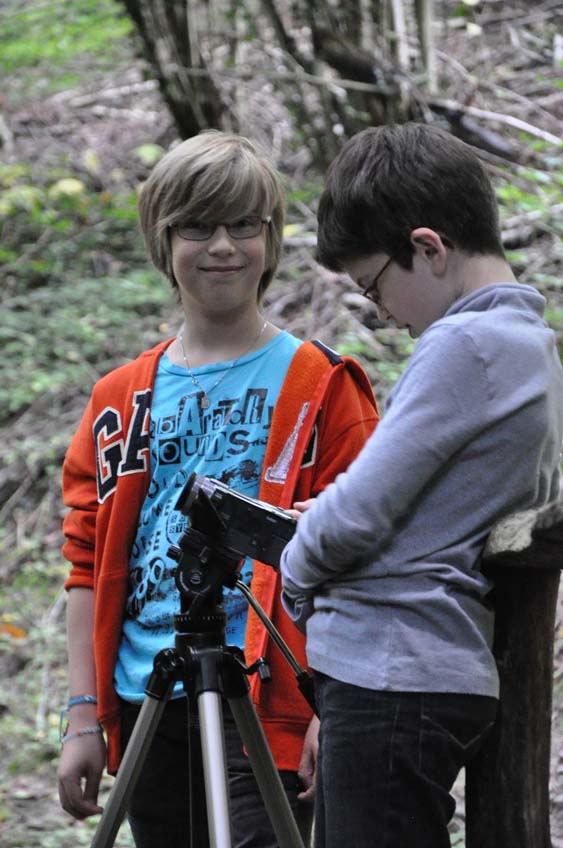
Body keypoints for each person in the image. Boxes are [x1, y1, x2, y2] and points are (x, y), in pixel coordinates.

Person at [56, 130, 379, 848]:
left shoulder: (322, 385)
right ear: (163, 240)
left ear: (271, 238)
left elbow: (365, 554)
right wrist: (82, 715)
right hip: (146, 695)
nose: (224, 246)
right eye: (197, 227)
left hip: (266, 697)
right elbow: (86, 561)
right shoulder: (119, 401)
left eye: (244, 225)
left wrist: (335, 703)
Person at [280, 122, 563, 848]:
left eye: (375, 286)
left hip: (392, 669)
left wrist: (295, 568)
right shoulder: (528, 347)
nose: (382, 312)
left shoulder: (464, 343)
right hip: (422, 670)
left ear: (428, 249)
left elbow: (358, 511)